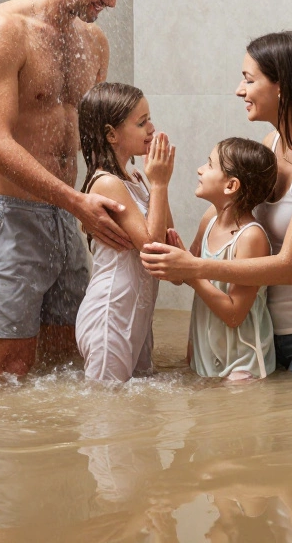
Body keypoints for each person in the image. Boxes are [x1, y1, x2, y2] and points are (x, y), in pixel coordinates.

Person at [0, 0, 139, 378]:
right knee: (12, 370)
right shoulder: (3, 31)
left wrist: (136, 193)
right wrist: (77, 202)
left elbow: (99, 137)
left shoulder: (93, 43)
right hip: (9, 217)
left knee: (69, 361)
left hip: (67, 216)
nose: (111, 1)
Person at [142, 31, 292, 373]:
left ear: (282, 86)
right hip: (263, 334)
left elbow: (288, 268)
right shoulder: (271, 143)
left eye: (249, 80)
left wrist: (194, 267)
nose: (239, 90)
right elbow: (231, 220)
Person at [74, 82, 174, 382]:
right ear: (111, 134)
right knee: (106, 411)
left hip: (136, 314)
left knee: (137, 412)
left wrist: (156, 183)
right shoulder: (107, 183)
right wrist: (160, 184)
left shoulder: (136, 178)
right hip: (110, 315)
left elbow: (168, 237)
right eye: (141, 123)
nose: (151, 128)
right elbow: (153, 248)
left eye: (149, 119)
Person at [184, 138, 278, 381]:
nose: (200, 170)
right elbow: (182, 272)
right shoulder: (209, 221)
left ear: (231, 185)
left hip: (243, 364)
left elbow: (234, 315)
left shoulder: (251, 238)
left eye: (209, 164)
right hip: (207, 356)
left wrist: (189, 273)